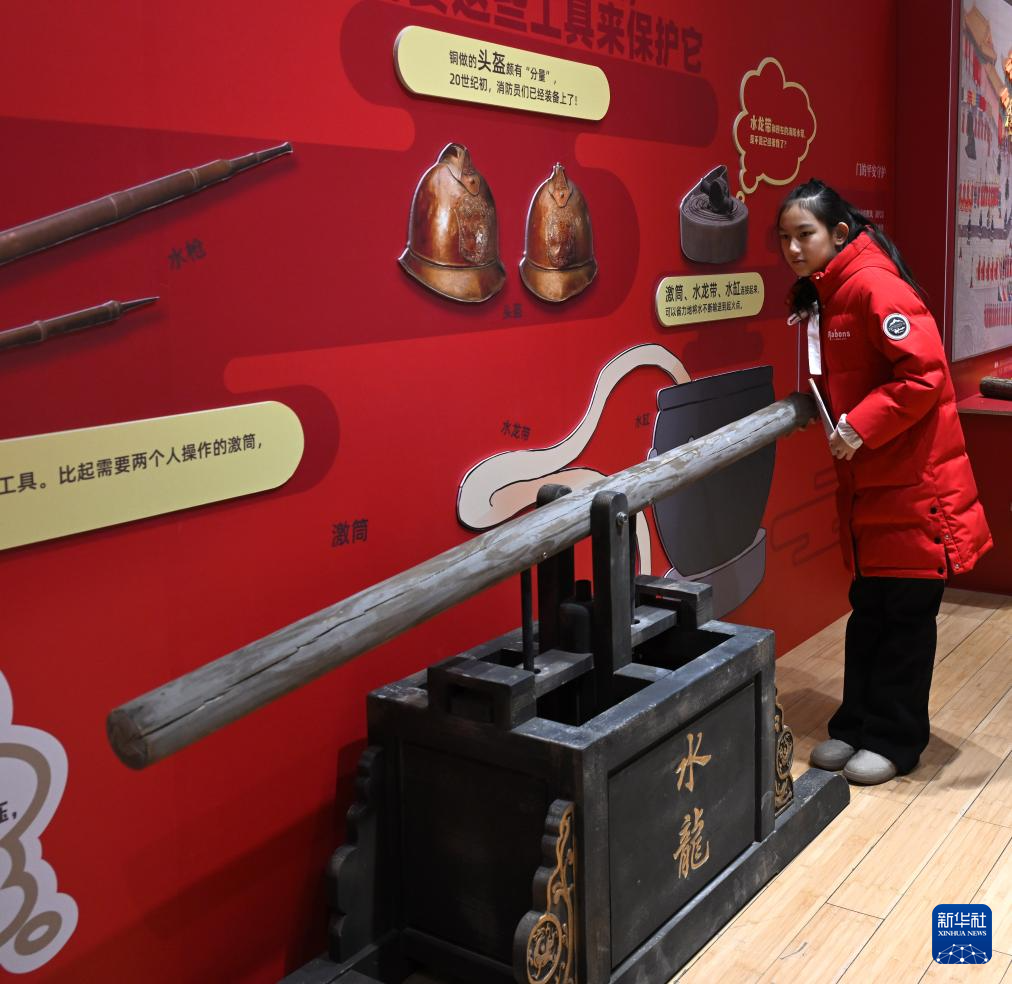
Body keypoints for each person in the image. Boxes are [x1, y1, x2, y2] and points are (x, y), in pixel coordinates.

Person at [777, 179, 992, 785]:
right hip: (874, 484)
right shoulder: (829, 293)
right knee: (869, 611)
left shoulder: (874, 286)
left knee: (904, 620)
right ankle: (855, 726)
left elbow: (925, 375)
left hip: (915, 487)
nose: (792, 248)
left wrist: (858, 427)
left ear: (839, 233)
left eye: (804, 234)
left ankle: (896, 739)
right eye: (784, 238)